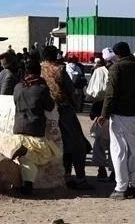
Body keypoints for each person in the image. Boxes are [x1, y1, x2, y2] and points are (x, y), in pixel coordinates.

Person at [99, 42, 135, 200]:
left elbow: (111, 94)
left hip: (120, 114)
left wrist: (104, 114)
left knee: (119, 151)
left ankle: (121, 188)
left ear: (117, 54)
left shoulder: (116, 68)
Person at [41, 46, 91, 190]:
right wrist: (74, 105)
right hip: (63, 110)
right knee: (77, 145)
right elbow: (70, 89)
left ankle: (65, 175)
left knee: (58, 144)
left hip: (46, 111)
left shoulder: (40, 68)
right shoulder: (60, 69)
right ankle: (80, 178)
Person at [10, 58, 60, 196]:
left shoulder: (18, 87)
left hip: (18, 128)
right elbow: (50, 107)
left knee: (27, 162)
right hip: (35, 128)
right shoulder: (41, 88)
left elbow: (15, 103)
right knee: (47, 154)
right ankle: (26, 152)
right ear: (39, 72)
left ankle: (28, 186)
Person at [87, 56, 113, 181]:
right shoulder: (118, 71)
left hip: (104, 114)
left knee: (101, 143)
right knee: (112, 145)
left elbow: (95, 94)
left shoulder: (100, 72)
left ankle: (104, 170)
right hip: (113, 114)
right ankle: (111, 171)